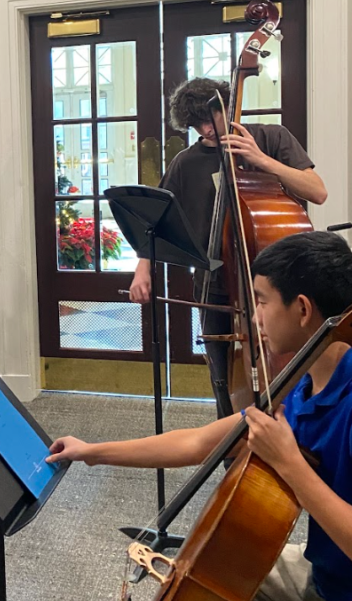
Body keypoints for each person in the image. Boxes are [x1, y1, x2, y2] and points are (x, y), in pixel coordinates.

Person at [51, 231, 352, 601]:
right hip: (326, 575)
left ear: (304, 310)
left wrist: (292, 464)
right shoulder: (298, 386)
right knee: (199, 578)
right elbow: (196, 442)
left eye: (262, 300)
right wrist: (93, 450)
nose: (254, 315)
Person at [127, 78, 327, 418]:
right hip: (216, 287)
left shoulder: (270, 137)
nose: (205, 130)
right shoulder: (185, 163)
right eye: (195, 125)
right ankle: (232, 454)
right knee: (223, 379)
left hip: (280, 286)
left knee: (292, 375)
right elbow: (156, 222)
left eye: (209, 118)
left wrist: (261, 160)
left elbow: (317, 191)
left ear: (226, 107)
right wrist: (142, 267)